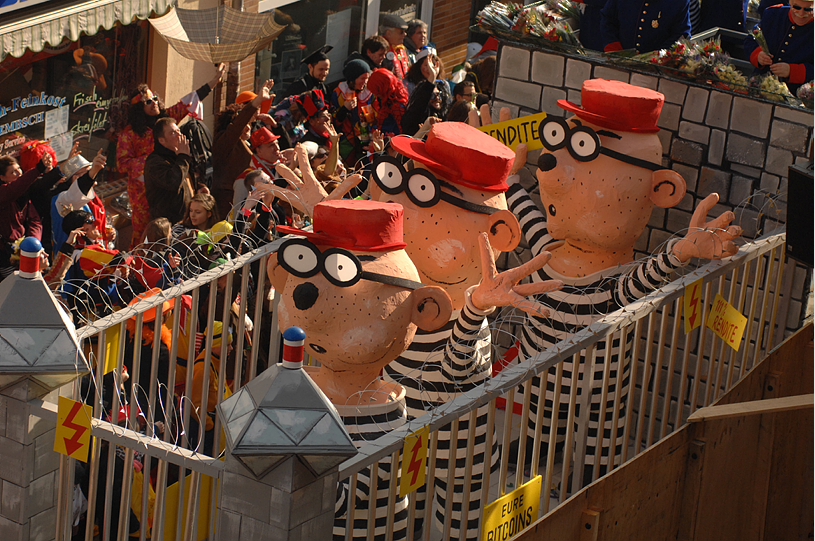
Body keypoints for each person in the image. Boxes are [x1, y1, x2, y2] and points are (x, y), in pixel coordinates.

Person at [504, 79, 739, 482]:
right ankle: (543, 444)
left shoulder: (615, 281)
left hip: (601, 373)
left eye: (585, 148)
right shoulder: (547, 249)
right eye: (562, 140)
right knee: (541, 411)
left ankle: (594, 471)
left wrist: (680, 251)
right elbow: (526, 213)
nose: (551, 168)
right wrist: (511, 177)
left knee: (601, 421)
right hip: (541, 367)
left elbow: (639, 281)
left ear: (661, 189)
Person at [369, 122, 560, 540]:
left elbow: (456, 371)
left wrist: (474, 310)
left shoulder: (474, 309)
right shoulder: (400, 298)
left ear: (500, 234)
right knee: (399, 524)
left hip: (462, 448)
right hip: (403, 436)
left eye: (424, 193)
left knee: (460, 530)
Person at [117, 65, 225, 248]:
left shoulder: (166, 120)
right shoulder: (129, 134)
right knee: (145, 232)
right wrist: (148, 159)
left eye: (154, 98)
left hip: (172, 187)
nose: (154, 103)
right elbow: (122, 164)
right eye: (147, 102)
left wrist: (214, 81)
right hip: (142, 191)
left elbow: (188, 102)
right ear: (138, 108)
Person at [210, 79, 275, 214]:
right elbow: (237, 126)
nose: (248, 127)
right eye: (245, 124)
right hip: (227, 206)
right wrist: (257, 101)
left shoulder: (246, 144)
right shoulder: (225, 143)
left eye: (250, 124)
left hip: (248, 200)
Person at [744, 1, 813, 94]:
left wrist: (792, 71)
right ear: (790, 2)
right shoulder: (773, 14)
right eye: (796, 7)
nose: (801, 13)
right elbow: (751, 40)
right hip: (759, 86)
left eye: (808, 9)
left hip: (798, 94)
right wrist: (758, 55)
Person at [0, 153, 51, 280]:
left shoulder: (24, 197)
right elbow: (17, 186)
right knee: (13, 285)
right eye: (13, 172)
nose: (19, 173)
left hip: (24, 251)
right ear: (2, 177)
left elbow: (35, 221)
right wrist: (38, 169)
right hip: (5, 257)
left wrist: (32, 244)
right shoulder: (3, 194)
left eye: (19, 168)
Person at [144, 117, 196, 225]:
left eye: (178, 131)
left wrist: (199, 187)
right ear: (162, 140)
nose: (179, 135)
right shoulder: (155, 162)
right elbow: (173, 182)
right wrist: (183, 157)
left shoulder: (177, 156)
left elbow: (185, 179)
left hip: (187, 219)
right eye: (173, 133)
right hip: (168, 224)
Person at [601, 0, 691, 53]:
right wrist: (614, 48)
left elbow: (681, 34)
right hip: (619, 60)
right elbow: (608, 19)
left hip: (657, 69)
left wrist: (659, 57)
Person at [330, 59, 374, 165]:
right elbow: (333, 121)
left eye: (367, 78)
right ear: (352, 79)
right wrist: (344, 109)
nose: (365, 82)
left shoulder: (370, 93)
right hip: (346, 142)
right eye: (362, 78)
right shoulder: (339, 93)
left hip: (366, 140)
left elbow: (375, 118)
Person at [366, 68, 409, 136]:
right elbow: (387, 123)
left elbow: (403, 133)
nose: (375, 95)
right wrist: (374, 121)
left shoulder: (397, 106)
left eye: (377, 92)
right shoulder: (386, 101)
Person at [379, 14, 411, 79]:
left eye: (405, 32)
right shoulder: (380, 49)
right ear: (389, 33)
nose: (405, 34)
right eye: (401, 32)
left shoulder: (403, 49)